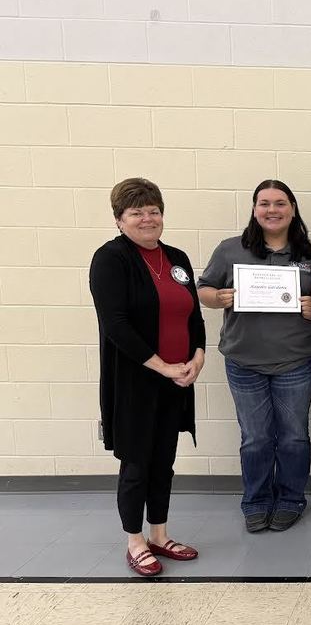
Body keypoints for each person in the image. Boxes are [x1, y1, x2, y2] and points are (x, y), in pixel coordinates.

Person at [89, 177, 205, 577]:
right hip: (135, 382)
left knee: (164, 462)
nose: (147, 218)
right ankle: (135, 541)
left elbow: (194, 316)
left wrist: (198, 358)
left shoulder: (176, 258)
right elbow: (116, 326)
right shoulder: (111, 259)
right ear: (120, 219)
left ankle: (159, 534)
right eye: (136, 212)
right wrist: (164, 366)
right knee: (136, 463)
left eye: (153, 211)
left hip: (176, 381)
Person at [198, 180, 311, 533]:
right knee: (255, 438)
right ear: (254, 209)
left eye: (281, 203)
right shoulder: (230, 250)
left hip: (296, 361)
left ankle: (291, 499)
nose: (272, 210)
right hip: (244, 362)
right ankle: (255, 501)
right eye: (265, 203)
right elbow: (204, 290)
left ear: (293, 209)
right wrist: (218, 298)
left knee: (293, 436)